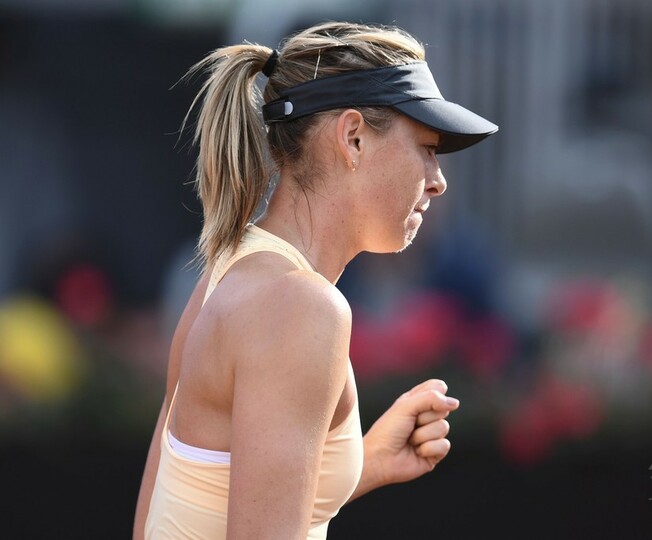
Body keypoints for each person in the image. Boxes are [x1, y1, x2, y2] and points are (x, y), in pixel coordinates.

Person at [133, 21, 497, 539]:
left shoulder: (231, 268)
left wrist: (365, 462)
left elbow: (176, 512)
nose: (438, 181)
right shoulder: (301, 307)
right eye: (426, 147)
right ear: (352, 138)